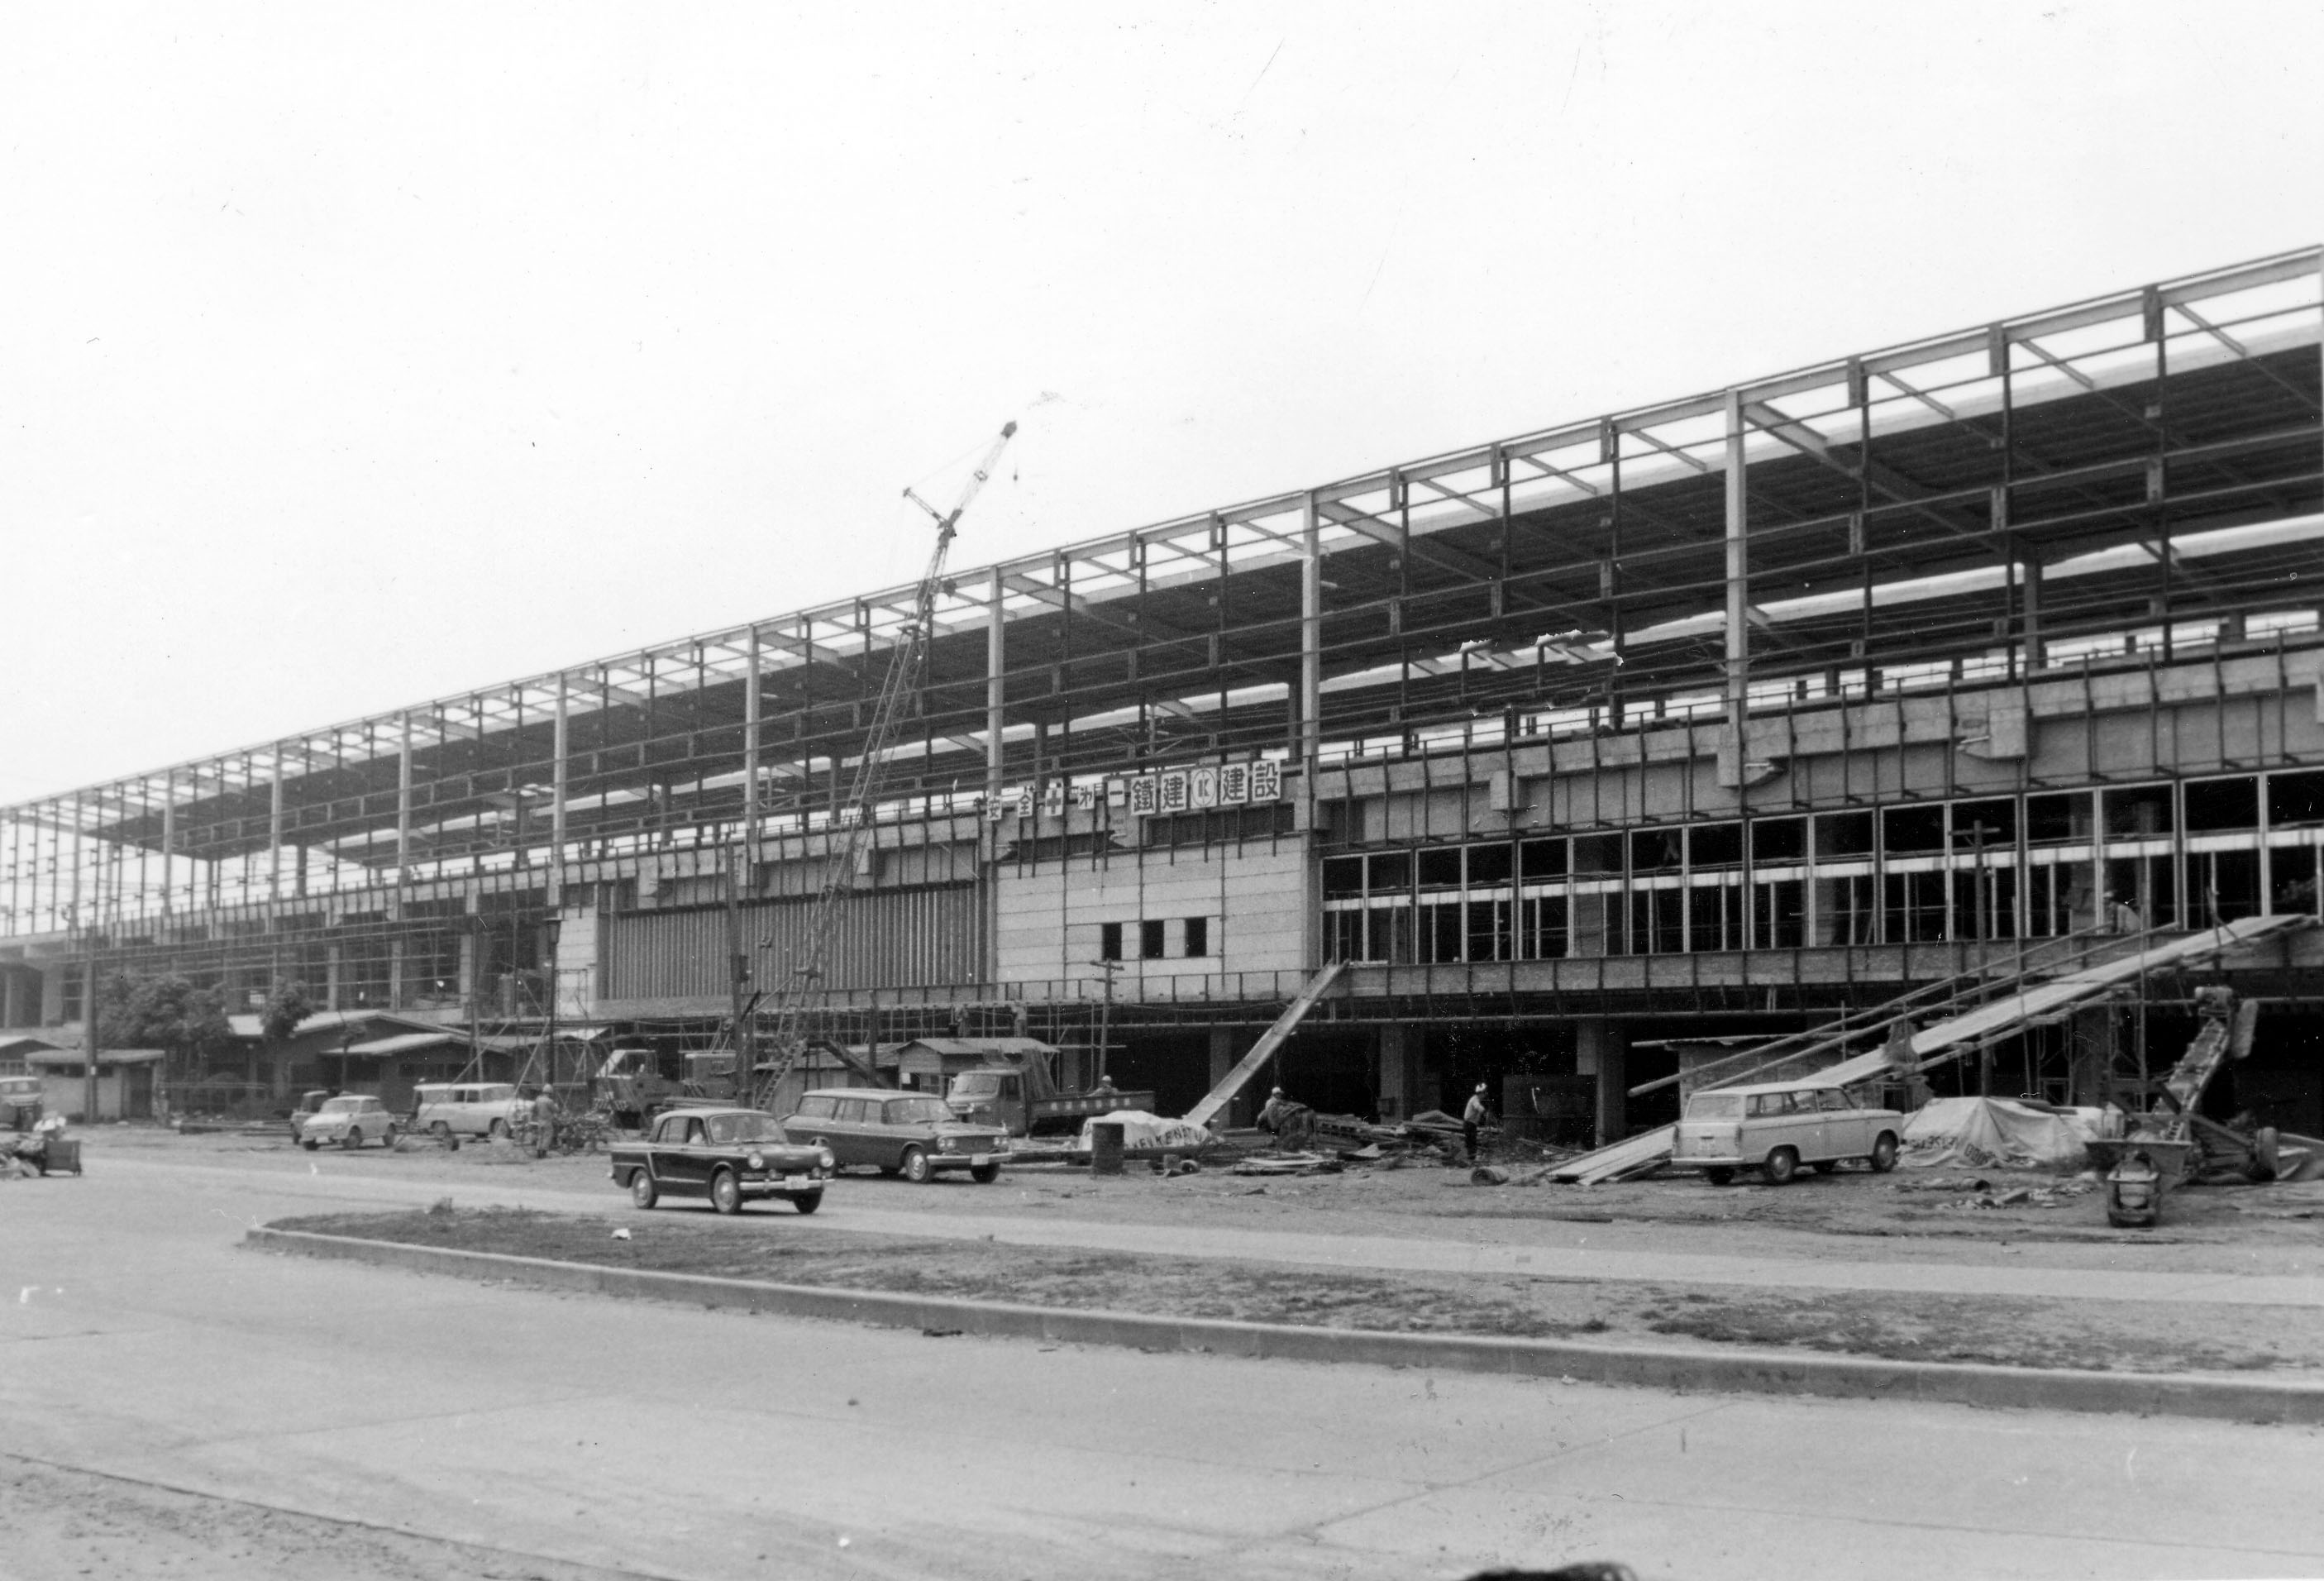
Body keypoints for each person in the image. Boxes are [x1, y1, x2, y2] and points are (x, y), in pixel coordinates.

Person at [1463, 1082, 1493, 1163]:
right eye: (1484, 1093)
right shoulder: (1474, 1100)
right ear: (1481, 1093)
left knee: (1472, 1141)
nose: (1485, 1095)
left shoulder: (1477, 1100)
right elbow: (1478, 1107)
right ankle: (1470, 1159)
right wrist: (1485, 1112)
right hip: (1469, 1124)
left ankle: (1471, 1159)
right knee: (1471, 1142)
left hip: (1472, 1124)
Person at [530, 1085, 561, 1158]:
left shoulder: (538, 1099)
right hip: (547, 1122)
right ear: (550, 1093)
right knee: (547, 1137)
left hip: (540, 1121)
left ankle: (538, 1153)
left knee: (540, 1137)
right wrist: (557, 1107)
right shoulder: (549, 1101)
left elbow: (532, 1108)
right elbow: (556, 1110)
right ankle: (543, 1153)